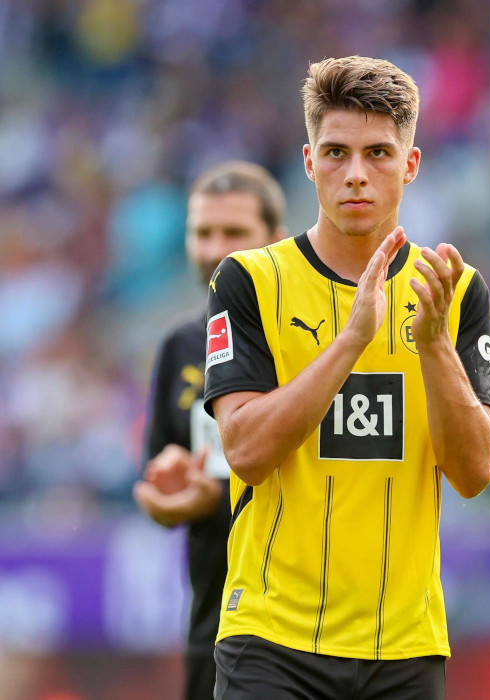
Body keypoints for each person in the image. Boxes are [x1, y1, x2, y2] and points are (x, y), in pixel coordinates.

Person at [204, 56, 490, 700]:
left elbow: (474, 473)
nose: (357, 174)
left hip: (405, 647)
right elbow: (245, 452)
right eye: (336, 152)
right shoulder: (249, 280)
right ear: (309, 162)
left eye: (379, 153)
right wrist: (350, 342)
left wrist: (433, 346)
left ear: (411, 164)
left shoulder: (454, 291)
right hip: (272, 642)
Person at [133, 161, 286, 700]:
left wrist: (214, 496)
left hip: (310, 627)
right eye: (202, 233)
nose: (214, 249)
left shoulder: (314, 339)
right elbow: (158, 478)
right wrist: (168, 495)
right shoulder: (179, 346)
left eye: (234, 232)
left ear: (276, 238)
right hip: (216, 623)